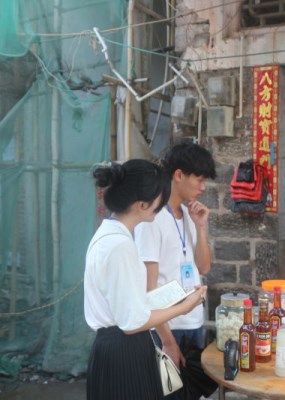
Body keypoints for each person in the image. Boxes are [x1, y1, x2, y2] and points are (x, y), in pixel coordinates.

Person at [84, 159, 206, 400]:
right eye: (160, 199)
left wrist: (175, 297)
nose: (161, 205)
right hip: (124, 353)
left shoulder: (109, 234)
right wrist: (184, 307)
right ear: (142, 204)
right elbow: (133, 322)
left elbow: (127, 304)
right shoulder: (120, 246)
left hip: (116, 347)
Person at [135, 142, 216, 367]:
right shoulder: (151, 219)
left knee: (191, 385)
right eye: (199, 179)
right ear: (179, 175)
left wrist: (201, 227)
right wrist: (167, 341)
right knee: (167, 385)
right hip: (166, 327)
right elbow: (148, 288)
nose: (203, 187)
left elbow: (204, 267)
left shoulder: (190, 214)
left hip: (193, 320)